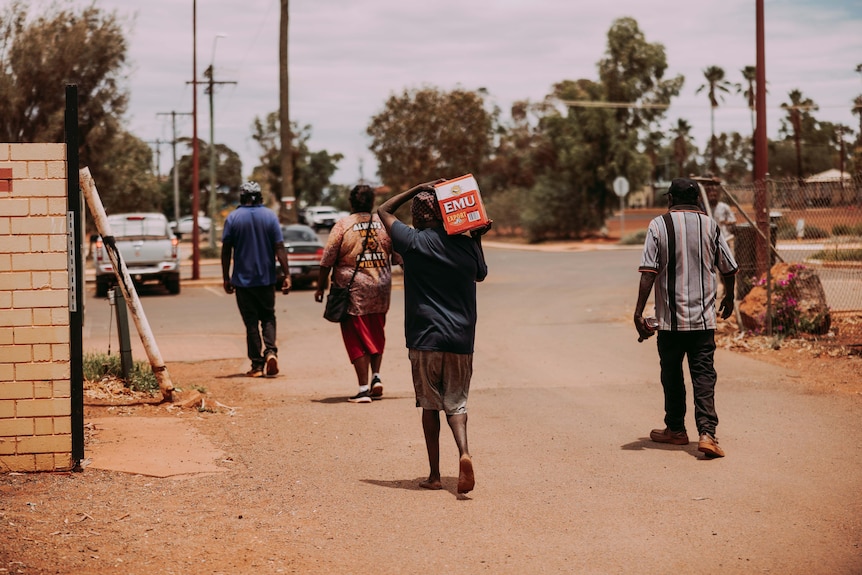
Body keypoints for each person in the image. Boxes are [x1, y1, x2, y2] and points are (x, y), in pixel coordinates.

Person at [378, 180, 490, 494]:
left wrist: (417, 187)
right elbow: (480, 273)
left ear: (418, 216)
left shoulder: (411, 241)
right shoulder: (465, 243)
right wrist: (476, 237)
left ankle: (435, 475)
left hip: (424, 337)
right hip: (460, 338)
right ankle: (464, 452)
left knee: (430, 405)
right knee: (457, 404)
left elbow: (383, 209)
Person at [633, 178, 738, 459]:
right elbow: (729, 268)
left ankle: (676, 430)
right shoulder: (711, 226)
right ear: (697, 201)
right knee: (703, 375)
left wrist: (638, 312)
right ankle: (707, 434)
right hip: (703, 320)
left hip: (670, 319)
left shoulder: (659, 225)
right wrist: (730, 297)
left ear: (670, 199)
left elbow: (648, 272)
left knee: (672, 373)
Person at [315, 184, 400, 403]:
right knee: (376, 332)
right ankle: (377, 377)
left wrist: (320, 286)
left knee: (356, 337)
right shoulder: (384, 224)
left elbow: (327, 261)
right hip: (381, 289)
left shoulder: (343, 225)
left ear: (351, 203)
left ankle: (363, 388)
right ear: (372, 203)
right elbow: (399, 258)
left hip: (353, 292)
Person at [221, 181, 291, 377]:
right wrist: (287, 275)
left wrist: (226, 277)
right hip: (266, 279)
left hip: (243, 281)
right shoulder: (270, 216)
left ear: (242, 197)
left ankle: (257, 365)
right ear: (260, 196)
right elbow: (279, 247)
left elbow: (226, 251)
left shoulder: (233, 218)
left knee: (251, 322)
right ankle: (270, 351)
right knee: (268, 317)